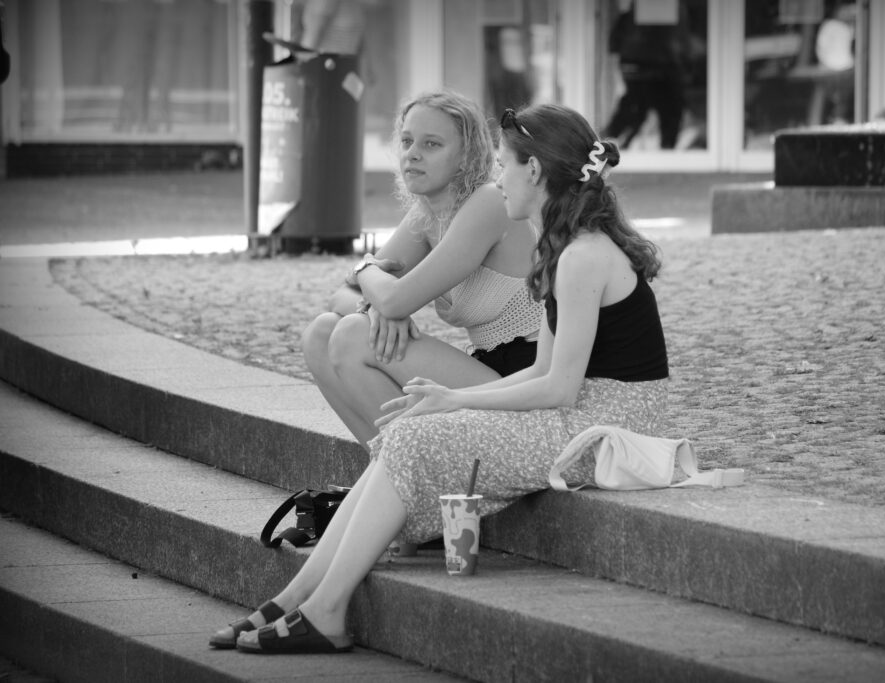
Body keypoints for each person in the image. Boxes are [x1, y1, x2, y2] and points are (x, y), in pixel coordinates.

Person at [208, 103, 670, 654]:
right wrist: (453, 398)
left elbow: (558, 388)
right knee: (407, 432)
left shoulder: (583, 257)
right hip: (584, 414)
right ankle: (298, 600)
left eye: (504, 165)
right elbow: (545, 372)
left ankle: (325, 610)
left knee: (414, 436)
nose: (498, 178)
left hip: (608, 426)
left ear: (535, 173)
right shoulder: (562, 250)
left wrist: (455, 400)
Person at [299, 90, 544, 452]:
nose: (412, 153)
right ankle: (391, 470)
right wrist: (378, 306)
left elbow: (392, 298)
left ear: (465, 157)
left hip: (522, 383)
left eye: (431, 144)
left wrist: (366, 269)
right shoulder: (427, 215)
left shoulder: (490, 202)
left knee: (352, 335)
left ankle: (407, 473)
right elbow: (345, 295)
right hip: (485, 369)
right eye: (407, 141)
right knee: (320, 333)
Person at [602, 1, 691, 149]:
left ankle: (667, 150)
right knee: (639, 108)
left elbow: (681, 43)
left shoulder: (674, 11)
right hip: (648, 67)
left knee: (643, 108)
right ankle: (602, 143)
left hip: (657, 67)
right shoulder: (634, 15)